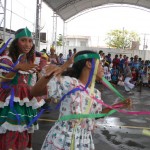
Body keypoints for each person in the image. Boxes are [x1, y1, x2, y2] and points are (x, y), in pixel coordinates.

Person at [31, 50, 131, 150]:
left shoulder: (95, 93)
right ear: (89, 64)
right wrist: (48, 76)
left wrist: (117, 106)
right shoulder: (70, 83)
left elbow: (94, 116)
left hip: (84, 142)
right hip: (63, 139)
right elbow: (34, 92)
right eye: (99, 63)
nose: (102, 67)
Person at [0, 27, 45, 150]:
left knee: (24, 134)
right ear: (16, 42)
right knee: (10, 132)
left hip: (26, 103)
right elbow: (2, 81)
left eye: (30, 41)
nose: (28, 44)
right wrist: (16, 68)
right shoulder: (6, 59)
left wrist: (42, 77)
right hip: (10, 101)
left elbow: (32, 83)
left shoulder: (31, 60)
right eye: (23, 40)